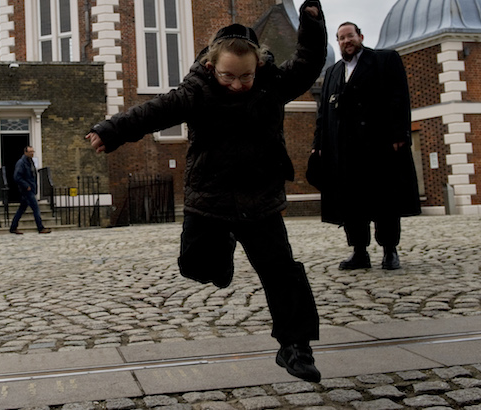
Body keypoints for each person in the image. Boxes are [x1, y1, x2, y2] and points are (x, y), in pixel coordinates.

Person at [86, 0, 326, 382]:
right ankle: (222, 251)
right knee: (196, 267)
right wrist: (111, 131)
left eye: (244, 77)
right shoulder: (196, 90)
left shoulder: (271, 85)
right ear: (213, 66)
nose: (236, 85)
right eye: (228, 77)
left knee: (282, 273)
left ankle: (296, 347)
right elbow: (155, 112)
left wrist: (312, 22)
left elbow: (309, 62)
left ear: (258, 66)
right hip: (210, 198)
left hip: (259, 198)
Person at [312, 22, 421, 271]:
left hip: (378, 147)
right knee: (351, 204)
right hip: (344, 151)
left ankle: (389, 251)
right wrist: (318, 145)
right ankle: (359, 251)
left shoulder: (384, 60)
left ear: (360, 36)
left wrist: (400, 133)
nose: (346, 41)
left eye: (350, 36)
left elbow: (399, 97)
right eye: (341, 38)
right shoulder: (332, 73)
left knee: (385, 201)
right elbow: (323, 115)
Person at [9, 146, 51, 235]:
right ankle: (40, 228)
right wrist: (26, 185)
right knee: (36, 208)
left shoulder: (30, 162)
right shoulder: (21, 163)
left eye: (33, 151)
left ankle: (13, 227)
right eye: (30, 152)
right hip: (27, 190)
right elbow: (17, 177)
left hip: (30, 188)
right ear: (25, 152)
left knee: (21, 209)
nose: (32, 153)